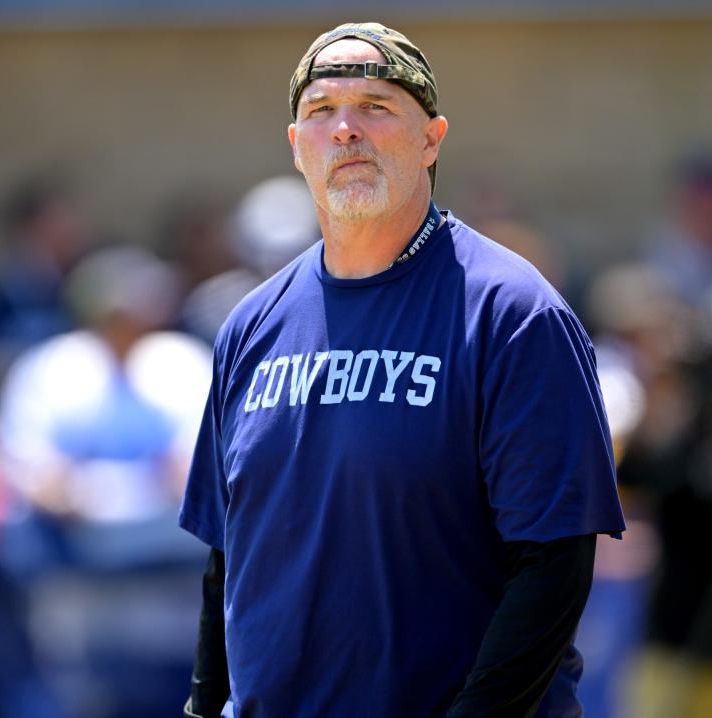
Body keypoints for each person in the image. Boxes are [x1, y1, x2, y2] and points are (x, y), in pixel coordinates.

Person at [178, 21, 626, 718]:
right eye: (321, 111)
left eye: (377, 106)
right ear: (298, 148)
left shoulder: (511, 313)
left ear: (431, 139)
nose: (347, 129)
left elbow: (554, 565)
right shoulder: (251, 325)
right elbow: (226, 563)